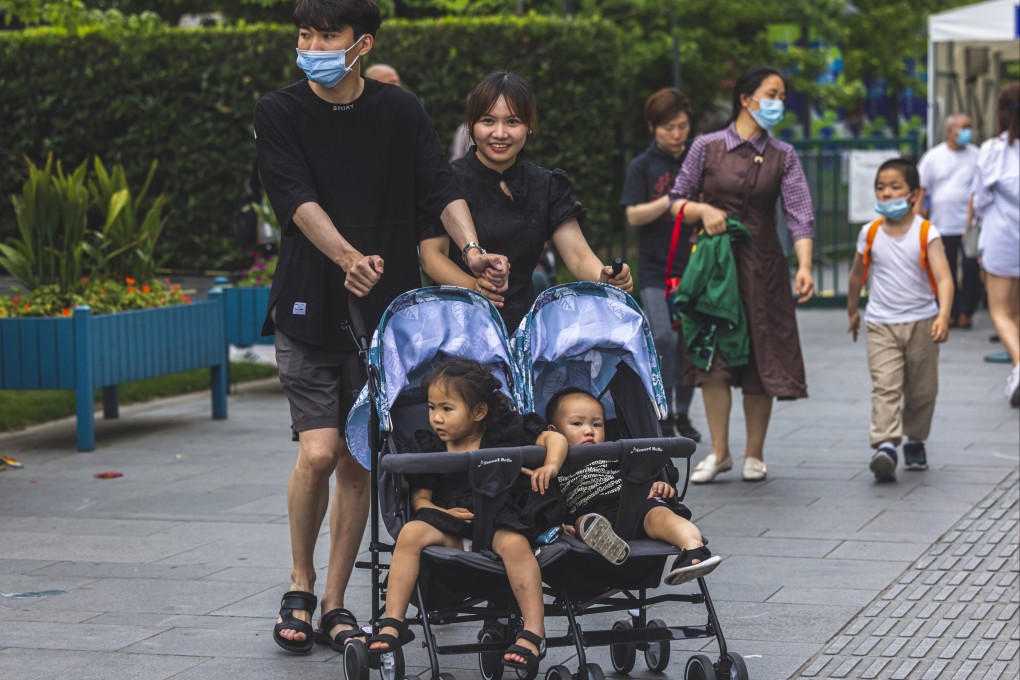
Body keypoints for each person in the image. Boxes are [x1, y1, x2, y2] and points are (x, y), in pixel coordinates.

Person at [254, 0, 509, 655]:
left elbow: (441, 186)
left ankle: (336, 603)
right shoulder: (279, 111)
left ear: (361, 43)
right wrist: (344, 257)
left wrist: (473, 250)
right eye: (304, 32)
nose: (311, 44)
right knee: (317, 452)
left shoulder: (402, 111)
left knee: (358, 463)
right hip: (309, 304)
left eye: (326, 34)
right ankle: (301, 583)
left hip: (388, 319)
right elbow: (296, 198)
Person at [366, 358, 567, 675]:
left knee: (516, 545)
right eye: (432, 407)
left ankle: (533, 632)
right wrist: (443, 513)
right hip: (451, 524)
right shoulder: (429, 446)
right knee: (410, 533)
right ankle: (393, 621)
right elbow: (419, 502)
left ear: (479, 412)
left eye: (447, 409)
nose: (436, 418)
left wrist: (551, 464)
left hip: (499, 519)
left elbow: (551, 438)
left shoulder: (504, 435)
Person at [668, 65, 816, 483]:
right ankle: (719, 452)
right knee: (711, 356)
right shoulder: (706, 146)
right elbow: (675, 200)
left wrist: (804, 265)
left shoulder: (783, 154)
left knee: (760, 356)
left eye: (782, 96)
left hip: (762, 267)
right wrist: (702, 210)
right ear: (746, 99)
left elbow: (800, 216)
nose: (778, 103)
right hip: (713, 268)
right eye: (772, 94)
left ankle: (754, 453)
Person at [420, 71, 632, 334]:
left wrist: (605, 277)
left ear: (528, 125)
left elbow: (577, 256)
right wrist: (474, 289)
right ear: (471, 125)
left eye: (512, 121)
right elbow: (431, 256)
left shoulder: (546, 185)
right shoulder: (447, 180)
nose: (500, 133)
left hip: (525, 330)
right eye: (488, 121)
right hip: (455, 325)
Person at [846, 157, 954, 481]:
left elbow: (945, 278)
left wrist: (944, 315)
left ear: (913, 194)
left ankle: (916, 440)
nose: (887, 194)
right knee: (886, 386)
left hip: (923, 321)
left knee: (923, 390)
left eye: (895, 187)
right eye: (881, 188)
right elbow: (855, 276)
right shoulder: (870, 232)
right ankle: (886, 445)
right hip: (880, 323)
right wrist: (853, 310)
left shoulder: (926, 231)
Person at [546, 388, 721, 584]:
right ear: (553, 432)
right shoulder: (553, 466)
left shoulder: (616, 453)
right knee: (585, 522)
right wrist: (557, 524)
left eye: (597, 424)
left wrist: (659, 486)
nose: (589, 431)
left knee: (662, 515)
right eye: (577, 424)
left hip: (635, 501)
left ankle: (694, 550)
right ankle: (607, 541)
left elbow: (641, 475)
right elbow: (548, 501)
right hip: (593, 510)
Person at [621, 88, 703, 442]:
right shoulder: (643, 165)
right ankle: (662, 411)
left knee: (691, 341)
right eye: (668, 127)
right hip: (656, 270)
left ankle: (681, 415)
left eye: (682, 126)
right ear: (653, 127)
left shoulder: (697, 161)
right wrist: (671, 201)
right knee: (665, 339)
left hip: (695, 268)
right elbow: (633, 214)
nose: (676, 134)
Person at [972, 82, 1020, 406]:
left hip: (1003, 238)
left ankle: (1019, 366)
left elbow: (981, 199)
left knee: (1000, 311)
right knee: (1017, 312)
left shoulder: (992, 149)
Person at [917, 114, 981, 328]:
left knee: (972, 268)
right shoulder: (933, 157)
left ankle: (967, 310)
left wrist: (971, 222)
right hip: (941, 224)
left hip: (969, 226)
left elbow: (978, 190)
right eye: (963, 127)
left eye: (969, 127)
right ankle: (949, 312)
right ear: (949, 131)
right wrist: (918, 222)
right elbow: (921, 192)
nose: (967, 131)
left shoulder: (977, 156)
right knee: (946, 270)